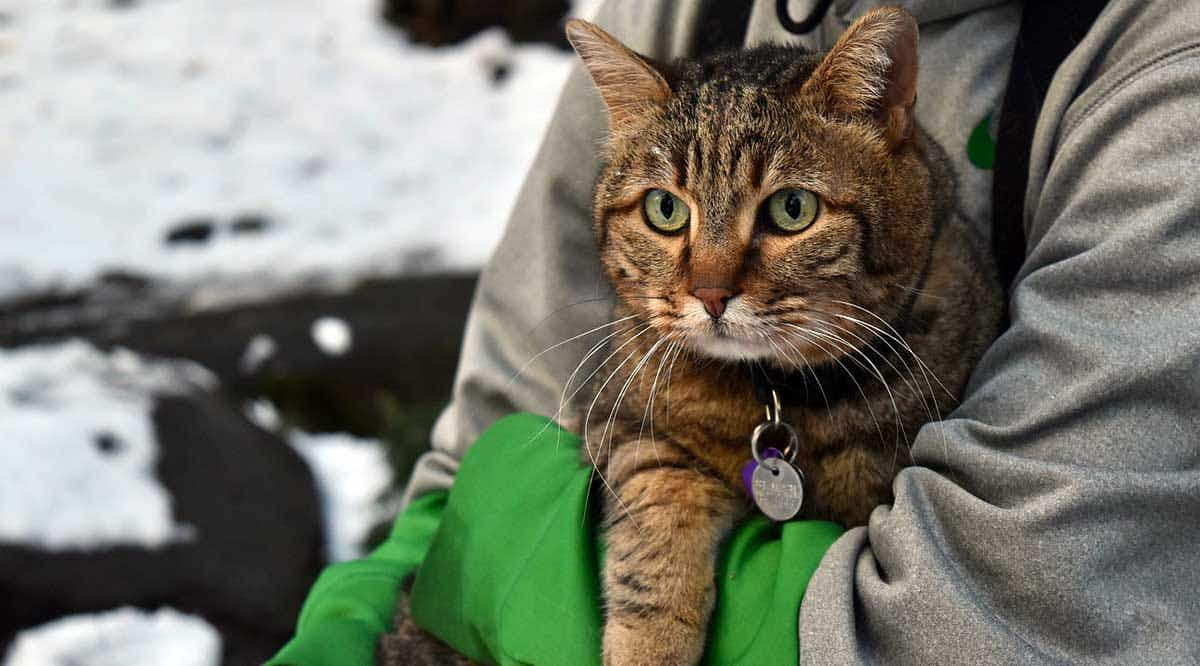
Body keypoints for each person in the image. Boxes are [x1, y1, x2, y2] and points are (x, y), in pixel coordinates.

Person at [271, 1, 1200, 663]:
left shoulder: (1168, 75)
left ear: (889, 112)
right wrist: (360, 612)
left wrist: (519, 551)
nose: (711, 286)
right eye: (667, 218)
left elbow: (996, 622)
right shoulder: (672, 13)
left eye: (787, 211)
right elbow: (481, 440)